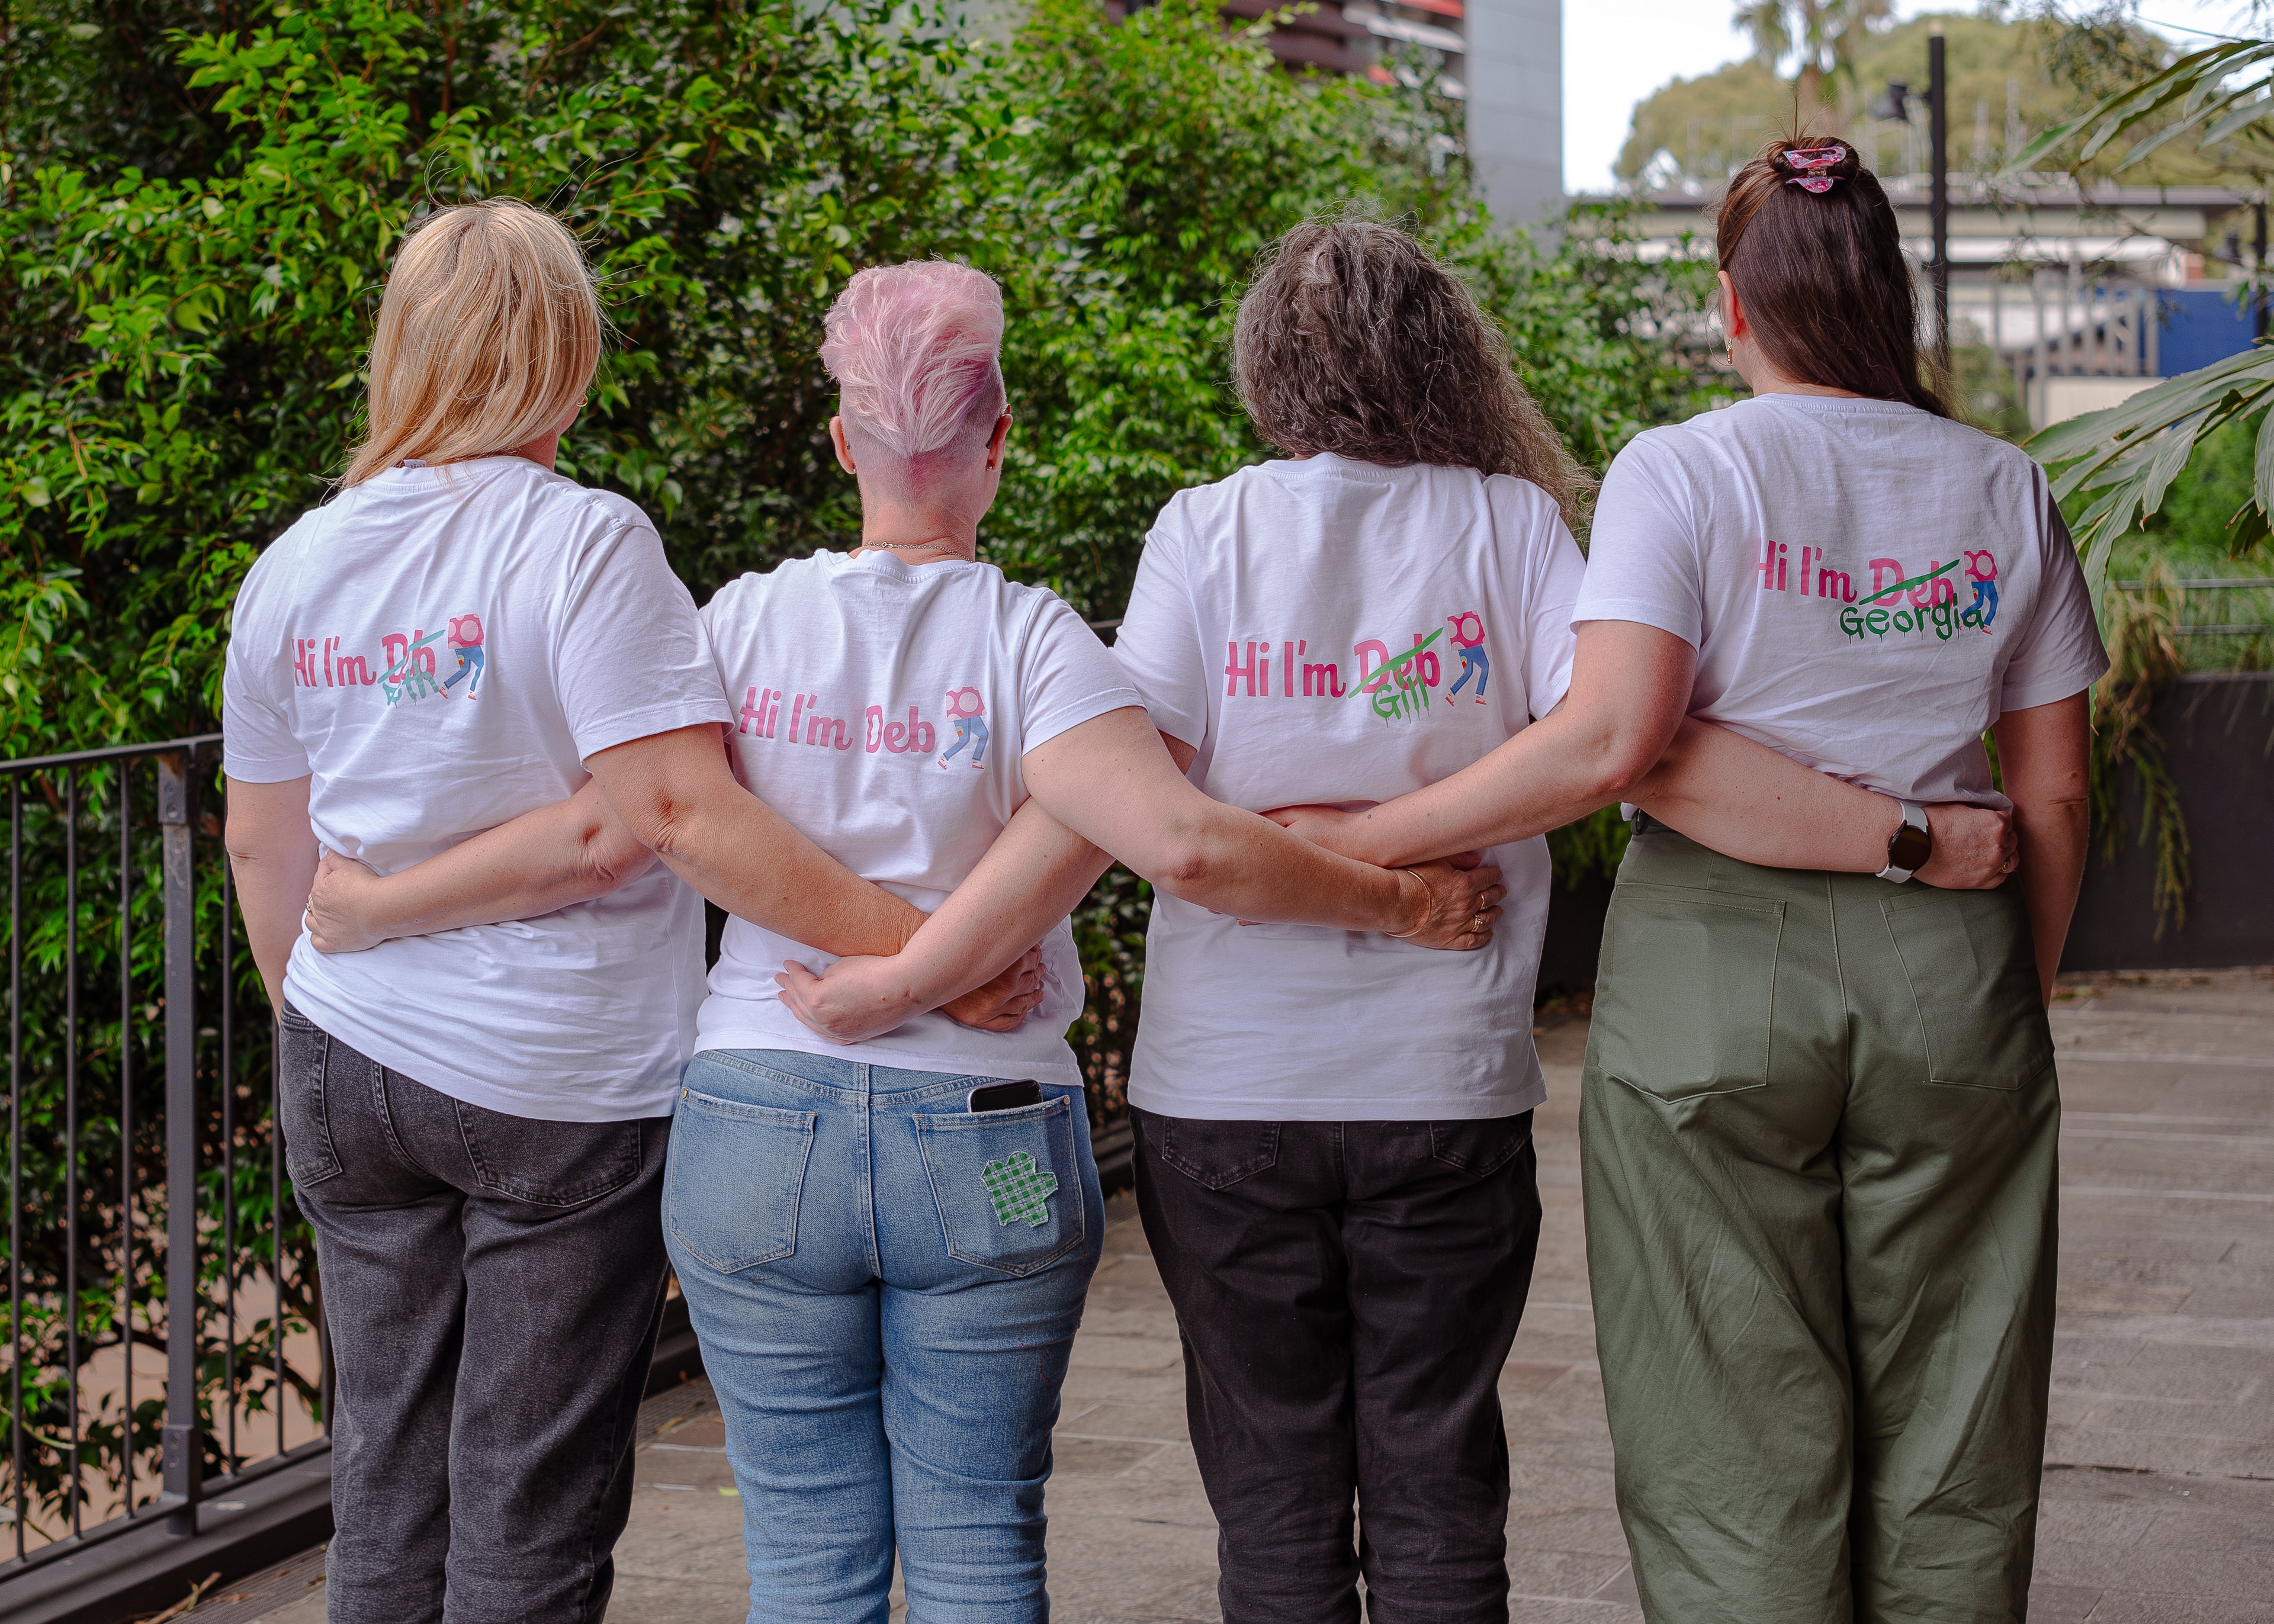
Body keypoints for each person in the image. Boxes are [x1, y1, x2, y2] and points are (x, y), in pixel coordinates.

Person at [301, 257, 1502, 1624]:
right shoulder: (1042, 643)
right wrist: (1402, 900)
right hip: (985, 1146)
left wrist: (380, 902)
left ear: (838, 442)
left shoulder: (734, 625)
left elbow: (621, 824)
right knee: (980, 1544)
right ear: (1000, 438)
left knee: (805, 1563)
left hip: (754, 1129)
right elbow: (1184, 840)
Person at [1266, 145, 2102, 1623]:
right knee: (1962, 1397)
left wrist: (1362, 839)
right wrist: (2002, 995)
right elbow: (2053, 790)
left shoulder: (1685, 469)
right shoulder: (2005, 485)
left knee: (1724, 1399)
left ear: (1732, 308)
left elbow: (1607, 742)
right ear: (1887, 299)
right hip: (1956, 956)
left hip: (1716, 975)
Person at [221, 201, 1051, 1624]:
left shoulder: (295, 562)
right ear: (570, 353)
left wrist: (338, 996)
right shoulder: (585, 545)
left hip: (344, 1063)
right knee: (527, 1505)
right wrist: (922, 960)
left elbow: (260, 843)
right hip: (553, 1078)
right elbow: (659, 818)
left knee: (385, 1479)